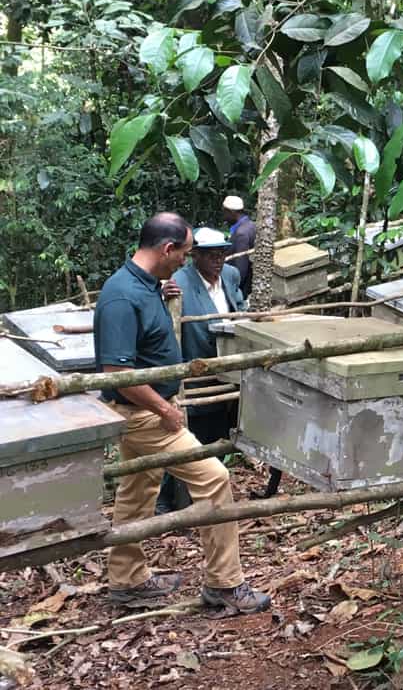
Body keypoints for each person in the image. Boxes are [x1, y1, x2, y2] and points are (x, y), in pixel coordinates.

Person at [93, 212, 270, 614]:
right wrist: (164, 409)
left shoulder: (144, 285)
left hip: (147, 411)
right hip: (145, 415)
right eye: (184, 254)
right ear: (167, 248)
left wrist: (162, 292)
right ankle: (225, 584)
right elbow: (118, 373)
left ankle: (127, 580)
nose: (185, 261)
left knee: (136, 494)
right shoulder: (121, 295)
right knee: (216, 478)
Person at [155, 227, 246, 515]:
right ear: (196, 256)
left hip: (227, 370)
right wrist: (161, 296)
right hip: (195, 369)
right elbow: (163, 320)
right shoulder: (179, 282)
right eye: (210, 255)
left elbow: (240, 307)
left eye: (221, 254)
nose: (218, 260)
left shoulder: (230, 276)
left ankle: (206, 497)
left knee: (217, 432)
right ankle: (167, 502)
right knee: (189, 438)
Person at [222, 196, 256, 298]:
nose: (223, 215)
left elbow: (241, 268)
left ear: (232, 212)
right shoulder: (251, 225)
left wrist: (234, 290)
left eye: (225, 212)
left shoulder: (241, 234)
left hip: (242, 289)